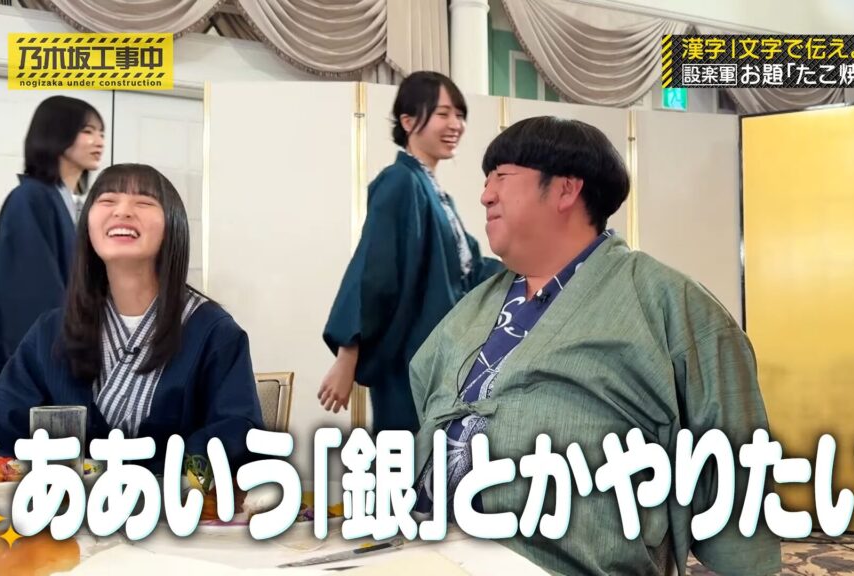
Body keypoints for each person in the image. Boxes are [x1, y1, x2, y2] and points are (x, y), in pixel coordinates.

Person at [409, 117, 781, 575]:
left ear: (566, 189)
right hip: (433, 550)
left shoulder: (669, 302)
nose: (486, 195)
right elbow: (427, 394)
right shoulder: (475, 305)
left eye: (501, 177)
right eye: (487, 181)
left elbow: (734, 457)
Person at [0, 164, 264, 472]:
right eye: (107, 200)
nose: (123, 211)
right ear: (87, 226)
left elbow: (237, 432)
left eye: (143, 202)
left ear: (174, 226)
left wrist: (152, 477)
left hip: (176, 500)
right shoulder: (51, 331)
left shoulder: (213, 332)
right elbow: (2, 423)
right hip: (65, 499)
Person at [319, 71, 501, 432]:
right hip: (410, 360)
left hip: (441, 360)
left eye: (459, 115)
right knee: (410, 455)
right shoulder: (400, 182)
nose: (456, 125)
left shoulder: (434, 193)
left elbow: (468, 270)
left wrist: (534, 263)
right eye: (443, 114)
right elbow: (374, 269)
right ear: (407, 121)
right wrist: (347, 355)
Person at [0, 95, 105, 398]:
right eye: (87, 131)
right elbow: (29, 300)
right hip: (42, 374)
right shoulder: (30, 199)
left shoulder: (69, 204)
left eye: (101, 132)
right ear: (56, 133)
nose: (98, 141)